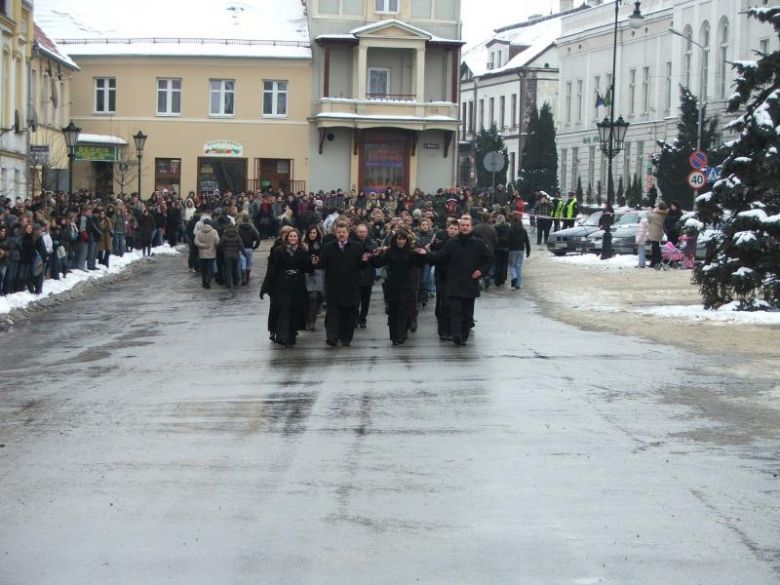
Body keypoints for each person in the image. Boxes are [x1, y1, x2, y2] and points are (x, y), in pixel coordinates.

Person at [424, 216, 493, 346]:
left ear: (471, 227)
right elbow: (439, 257)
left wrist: (481, 271)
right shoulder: (452, 243)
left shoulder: (478, 243)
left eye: (467, 225)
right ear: (460, 227)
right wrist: (425, 254)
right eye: (463, 225)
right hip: (454, 283)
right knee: (455, 311)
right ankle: (456, 335)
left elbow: (489, 259)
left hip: (470, 284)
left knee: (467, 314)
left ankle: (463, 336)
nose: (465, 227)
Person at [311, 221, 371, 347]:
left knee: (348, 314)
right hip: (334, 286)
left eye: (344, 232)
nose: (341, 234)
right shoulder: (328, 247)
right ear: (335, 233)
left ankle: (346, 338)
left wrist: (365, 260)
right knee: (332, 313)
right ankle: (332, 337)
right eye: (339, 232)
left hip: (351, 286)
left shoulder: (357, 247)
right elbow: (323, 263)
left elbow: (361, 266)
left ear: (348, 233)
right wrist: (316, 262)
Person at [371, 229, 428, 345]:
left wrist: (422, 255)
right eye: (399, 239)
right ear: (395, 240)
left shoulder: (411, 252)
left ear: (406, 240)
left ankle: (402, 334)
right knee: (393, 311)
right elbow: (378, 263)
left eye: (403, 239)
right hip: (392, 285)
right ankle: (394, 336)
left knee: (403, 310)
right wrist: (374, 256)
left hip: (407, 285)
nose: (401, 241)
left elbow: (418, 264)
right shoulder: (390, 252)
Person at [263, 229, 312, 347]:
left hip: (297, 284)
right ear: (287, 238)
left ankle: (291, 337)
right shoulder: (280, 251)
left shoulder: (302, 252)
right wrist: (269, 285)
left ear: (298, 238)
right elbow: (274, 269)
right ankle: (282, 336)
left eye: (295, 236)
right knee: (284, 309)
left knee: (293, 311)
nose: (293, 238)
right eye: (291, 236)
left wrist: (310, 262)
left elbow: (308, 269)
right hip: (283, 284)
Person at [431, 219, 459, 340]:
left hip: (455, 277)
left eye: (455, 229)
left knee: (453, 305)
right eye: (451, 228)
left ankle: (452, 330)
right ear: (447, 229)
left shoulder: (459, 242)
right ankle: (443, 331)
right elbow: (437, 254)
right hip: (442, 276)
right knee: (444, 304)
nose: (452, 231)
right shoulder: (442, 240)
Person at [354, 223, 377, 328]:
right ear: (356, 232)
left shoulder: (372, 243)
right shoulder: (353, 243)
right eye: (360, 232)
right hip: (356, 275)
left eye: (364, 232)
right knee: (355, 299)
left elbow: (374, 255)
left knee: (365, 300)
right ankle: (355, 318)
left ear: (367, 233)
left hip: (368, 275)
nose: (362, 234)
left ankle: (363, 318)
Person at [304, 226, 325, 331]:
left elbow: (323, 258)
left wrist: (318, 260)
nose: (312, 235)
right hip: (306, 273)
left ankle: (312, 320)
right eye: (311, 233)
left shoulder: (320, 245)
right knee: (308, 298)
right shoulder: (304, 245)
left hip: (317, 273)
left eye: (314, 233)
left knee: (316, 296)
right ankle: (308, 319)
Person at [472, 212, 498, 288]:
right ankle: (487, 280)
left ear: (481, 218)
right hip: (489, 250)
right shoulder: (492, 228)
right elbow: (496, 241)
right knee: (489, 266)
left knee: (479, 265)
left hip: (478, 250)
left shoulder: (476, 228)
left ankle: (480, 280)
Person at [194, 218, 219, 289]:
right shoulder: (214, 232)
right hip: (211, 253)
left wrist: (203, 245)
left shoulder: (199, 232)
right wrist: (214, 246)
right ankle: (208, 280)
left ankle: (204, 282)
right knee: (210, 268)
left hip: (202, 254)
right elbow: (217, 241)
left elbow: (196, 242)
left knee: (204, 268)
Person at [507, 218, 531, 289]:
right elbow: (527, 242)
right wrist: (528, 251)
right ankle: (518, 284)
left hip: (512, 250)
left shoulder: (511, 230)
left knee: (512, 265)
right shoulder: (523, 231)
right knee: (519, 266)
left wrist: (508, 249)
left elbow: (508, 240)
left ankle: (514, 276)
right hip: (521, 250)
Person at [219, 223, 243, 289]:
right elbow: (241, 245)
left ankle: (228, 283)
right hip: (236, 254)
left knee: (228, 269)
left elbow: (221, 245)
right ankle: (235, 282)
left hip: (227, 255)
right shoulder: (237, 236)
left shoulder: (224, 236)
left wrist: (224, 250)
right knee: (235, 269)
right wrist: (244, 253)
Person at [648, 202, 668, 268]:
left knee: (655, 248)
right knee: (656, 247)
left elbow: (649, 217)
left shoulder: (657, 214)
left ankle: (655, 262)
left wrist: (652, 210)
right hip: (658, 232)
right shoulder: (663, 214)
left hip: (655, 232)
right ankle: (655, 262)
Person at [493, 214, 510, 287]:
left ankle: (497, 280)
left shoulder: (494, 227)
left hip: (497, 248)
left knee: (497, 264)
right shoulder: (508, 227)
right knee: (504, 264)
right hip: (506, 248)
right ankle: (503, 278)